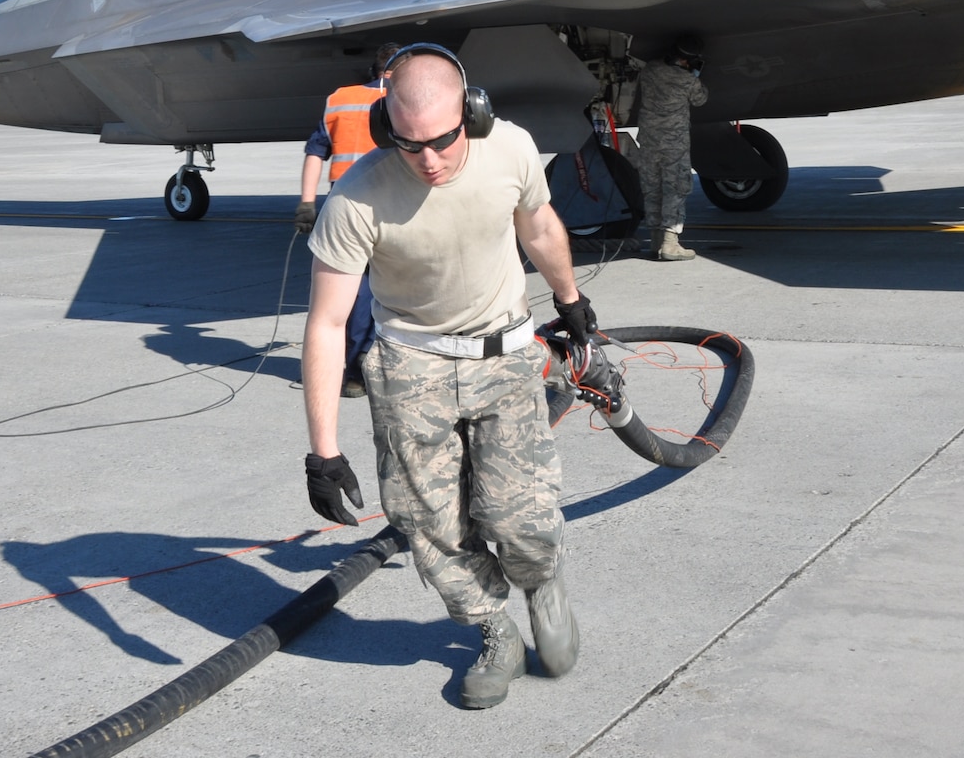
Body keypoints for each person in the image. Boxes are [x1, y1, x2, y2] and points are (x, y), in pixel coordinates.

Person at [300, 44, 593, 709]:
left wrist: (570, 299)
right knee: (429, 524)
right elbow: (325, 324)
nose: (428, 159)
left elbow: (540, 225)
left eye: (441, 140)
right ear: (385, 128)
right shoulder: (356, 198)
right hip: (412, 365)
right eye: (409, 145)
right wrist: (322, 449)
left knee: (518, 515)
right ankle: (494, 631)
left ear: (474, 112)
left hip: (505, 354)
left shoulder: (511, 150)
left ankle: (542, 583)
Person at [294, 41, 401, 397]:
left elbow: (315, 152)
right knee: (397, 290)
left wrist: (307, 204)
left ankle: (355, 373)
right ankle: (389, 367)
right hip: (391, 204)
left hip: (342, 204)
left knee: (350, 295)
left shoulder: (340, 98)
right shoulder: (403, 99)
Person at [636, 35, 708, 261]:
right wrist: (695, 75)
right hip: (674, 144)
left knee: (652, 186)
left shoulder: (650, 69)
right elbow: (701, 100)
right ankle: (670, 243)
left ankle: (655, 240)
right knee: (675, 188)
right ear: (688, 60)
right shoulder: (688, 81)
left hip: (649, 140)